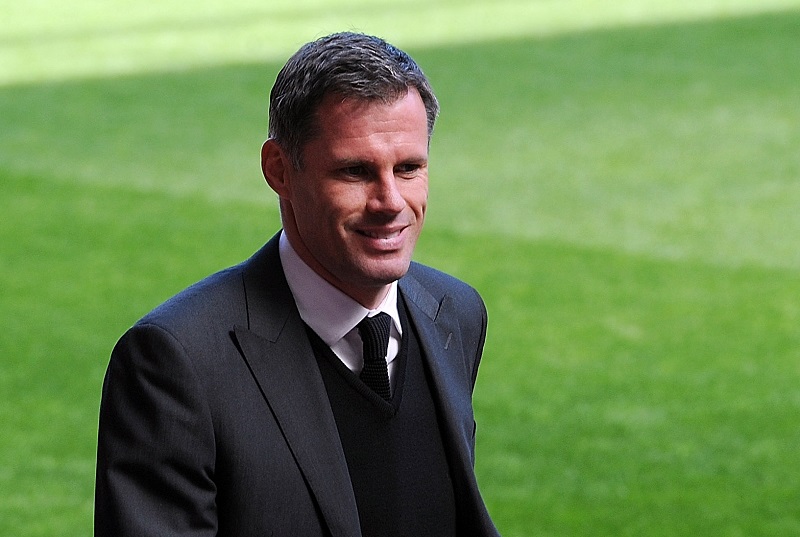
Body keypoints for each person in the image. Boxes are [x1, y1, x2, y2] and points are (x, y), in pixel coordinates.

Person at [95, 31, 500, 537]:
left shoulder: (455, 312)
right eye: (355, 172)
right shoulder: (178, 362)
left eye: (409, 168)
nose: (391, 202)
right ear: (279, 171)